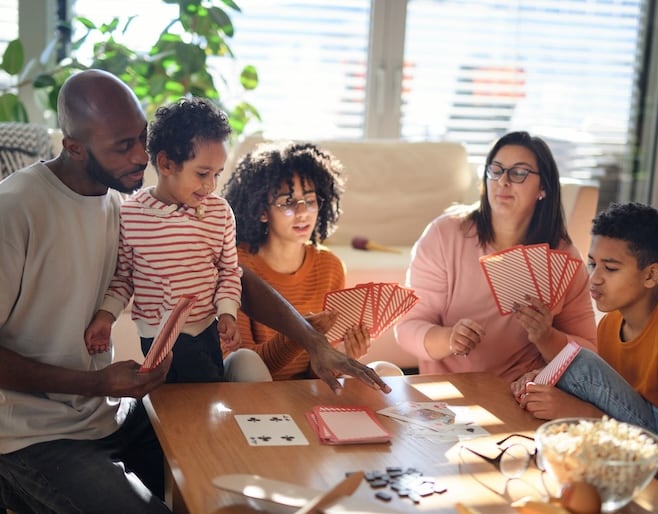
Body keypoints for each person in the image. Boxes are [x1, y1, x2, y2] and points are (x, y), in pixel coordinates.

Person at [0, 70, 389, 514]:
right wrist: (97, 382)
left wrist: (313, 343)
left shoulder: (119, 204)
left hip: (106, 414)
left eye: (141, 139)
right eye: (122, 146)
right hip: (31, 436)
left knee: (227, 483)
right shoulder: (15, 212)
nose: (141, 156)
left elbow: (233, 276)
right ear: (73, 147)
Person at [513, 202, 658, 503]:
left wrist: (580, 412)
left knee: (580, 362)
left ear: (651, 276)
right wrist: (547, 381)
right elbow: (610, 399)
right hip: (625, 463)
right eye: (592, 264)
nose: (594, 278)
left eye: (610, 268)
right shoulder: (611, 323)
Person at [84, 97, 271, 383]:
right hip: (154, 336)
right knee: (167, 404)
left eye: (217, 174)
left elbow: (230, 272)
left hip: (204, 330)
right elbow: (123, 277)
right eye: (202, 173)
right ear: (166, 164)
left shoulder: (219, 212)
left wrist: (228, 313)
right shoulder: (131, 213)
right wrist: (106, 316)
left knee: (206, 398)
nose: (210, 186)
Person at [394, 131, 597, 382]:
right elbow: (406, 328)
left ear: (543, 187)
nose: (503, 181)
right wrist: (450, 338)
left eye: (519, 173)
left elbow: (590, 352)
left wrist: (547, 337)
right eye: (496, 170)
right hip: (449, 392)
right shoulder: (444, 234)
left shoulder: (563, 256)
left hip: (521, 391)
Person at [224, 141, 376, 380]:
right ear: (262, 210)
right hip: (256, 393)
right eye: (287, 202)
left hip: (307, 394)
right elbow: (243, 365)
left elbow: (315, 375)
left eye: (311, 200)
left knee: (386, 369)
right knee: (245, 361)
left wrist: (342, 353)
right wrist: (303, 334)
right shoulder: (237, 264)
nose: (303, 212)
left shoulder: (330, 267)